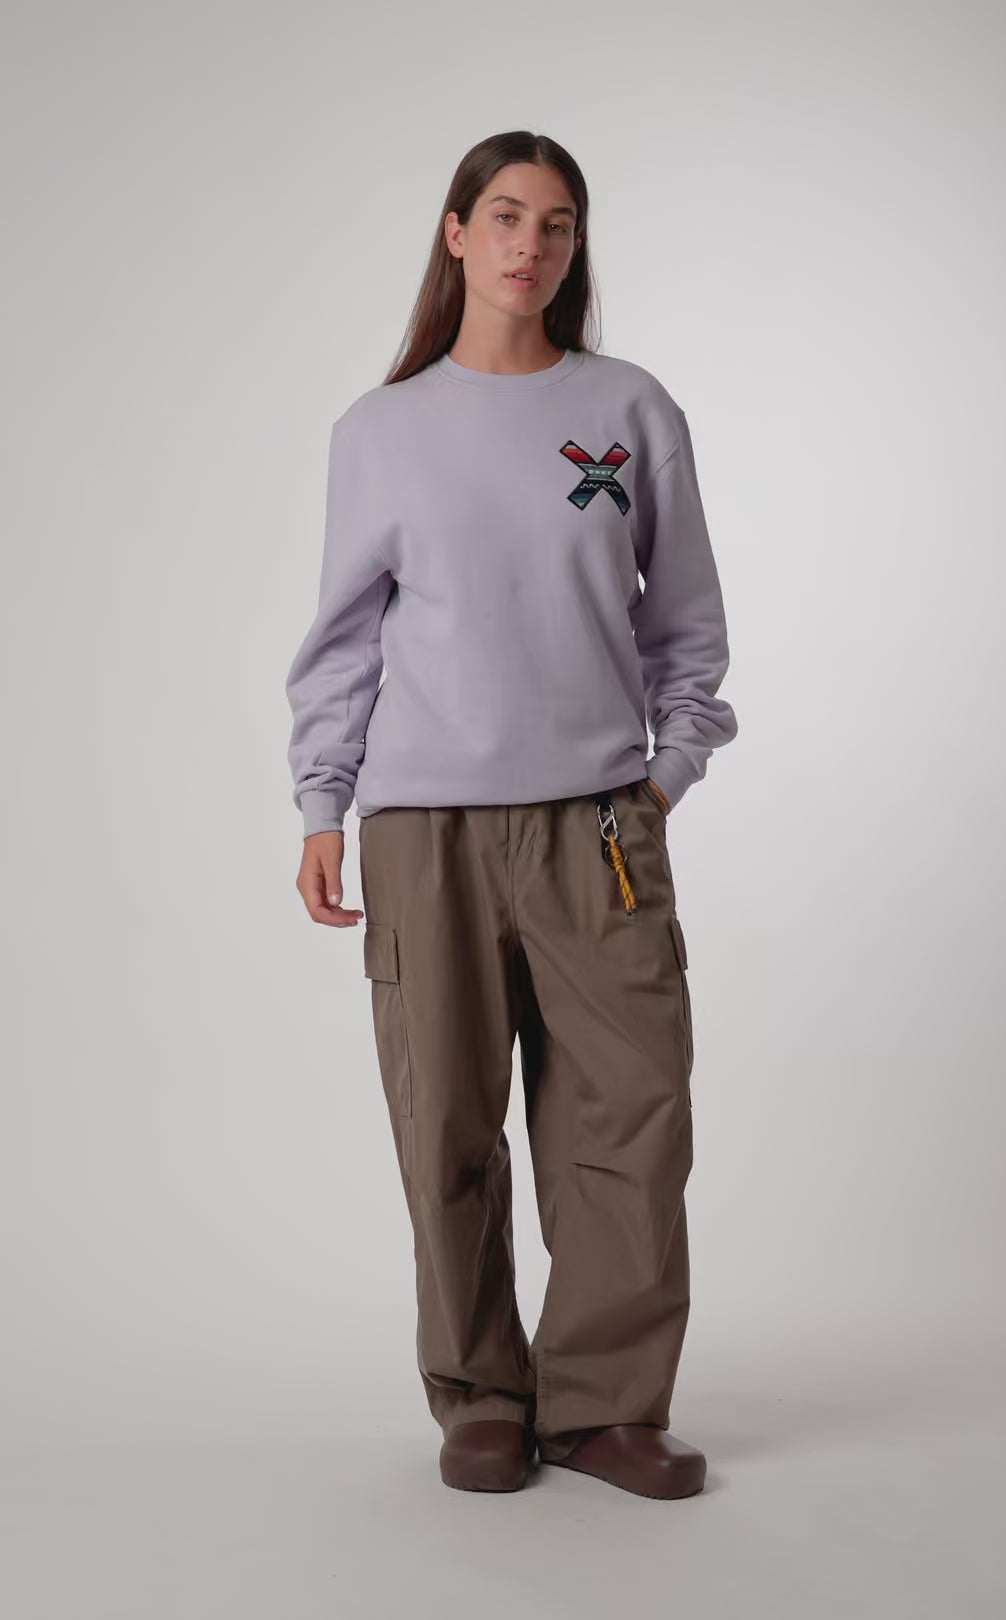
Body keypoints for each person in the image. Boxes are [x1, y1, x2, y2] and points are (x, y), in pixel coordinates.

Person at [284, 130, 738, 1498]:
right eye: (504, 216)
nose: (529, 245)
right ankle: (482, 1393)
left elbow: (685, 623)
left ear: (574, 246)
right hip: (424, 832)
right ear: (456, 233)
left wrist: (664, 775)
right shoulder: (381, 432)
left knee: (630, 1115)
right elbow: (345, 640)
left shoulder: (630, 410)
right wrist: (322, 803)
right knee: (446, 1124)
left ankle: (606, 1407)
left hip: (599, 826)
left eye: (556, 223)